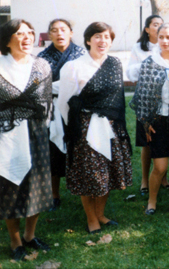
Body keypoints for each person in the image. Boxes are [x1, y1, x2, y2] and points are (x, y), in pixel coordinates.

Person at [58, 22, 133, 233]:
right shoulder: (73, 67)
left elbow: (117, 98)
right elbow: (64, 102)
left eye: (107, 37)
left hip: (111, 127)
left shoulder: (115, 63)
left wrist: (115, 122)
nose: (102, 41)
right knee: (89, 174)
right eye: (98, 36)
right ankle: (91, 218)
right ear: (88, 40)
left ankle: (101, 213)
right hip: (85, 128)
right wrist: (77, 129)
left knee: (106, 173)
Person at [1, 19, 54, 261]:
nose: (26, 38)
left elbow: (45, 103)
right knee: (11, 187)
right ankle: (14, 240)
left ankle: (30, 235)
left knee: (38, 185)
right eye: (19, 34)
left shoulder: (41, 66)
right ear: (7, 39)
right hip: (4, 133)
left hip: (35, 131)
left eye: (30, 33)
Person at [131, 23, 169, 215]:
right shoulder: (150, 63)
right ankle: (152, 201)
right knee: (159, 166)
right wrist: (145, 122)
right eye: (161, 37)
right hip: (157, 120)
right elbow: (142, 94)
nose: (165, 41)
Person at [37, 19, 87, 211]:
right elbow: (39, 85)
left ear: (71, 32)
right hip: (51, 107)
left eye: (63, 30)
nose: (59, 34)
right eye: (54, 31)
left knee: (79, 147)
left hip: (76, 106)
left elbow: (85, 79)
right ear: (49, 35)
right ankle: (54, 193)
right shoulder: (42, 57)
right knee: (53, 150)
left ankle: (83, 189)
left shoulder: (81, 54)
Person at [126, 15, 169, 196]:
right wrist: (149, 62)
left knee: (164, 141)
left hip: (165, 101)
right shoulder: (139, 48)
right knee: (147, 142)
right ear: (147, 29)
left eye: (161, 25)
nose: (159, 28)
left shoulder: (166, 44)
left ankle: (163, 178)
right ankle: (145, 179)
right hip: (145, 101)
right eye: (155, 25)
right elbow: (130, 73)